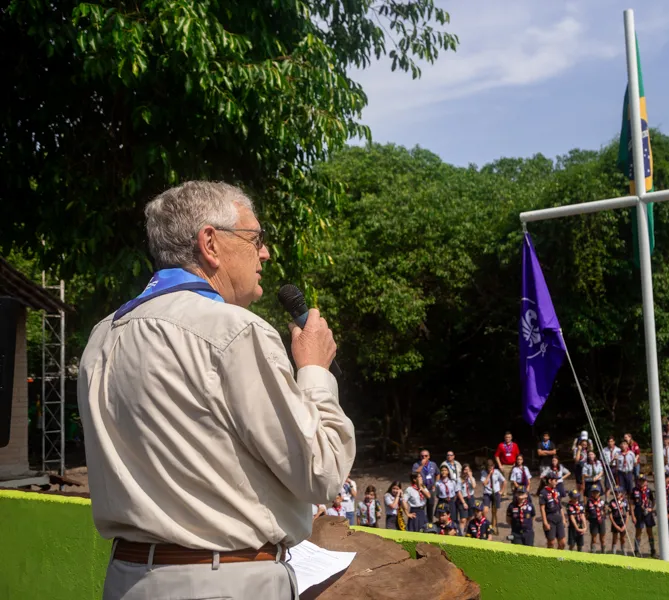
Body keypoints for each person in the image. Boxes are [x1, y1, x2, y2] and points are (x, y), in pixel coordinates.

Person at [77, 182, 355, 599]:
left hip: (127, 579)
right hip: (226, 582)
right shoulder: (235, 330)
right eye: (255, 238)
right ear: (210, 242)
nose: (265, 253)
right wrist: (314, 370)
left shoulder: (101, 336)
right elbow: (323, 471)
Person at [630, 475, 656, 558]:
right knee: (639, 531)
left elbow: (653, 500)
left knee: (650, 531)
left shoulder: (648, 490)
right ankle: (636, 550)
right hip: (638, 512)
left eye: (643, 480)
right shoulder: (634, 490)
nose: (641, 482)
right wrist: (633, 516)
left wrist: (651, 508)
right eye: (640, 480)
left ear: (646, 481)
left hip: (647, 513)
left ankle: (653, 550)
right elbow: (631, 504)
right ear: (637, 481)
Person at [539, 472, 566, 550]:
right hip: (550, 518)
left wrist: (563, 518)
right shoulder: (543, 493)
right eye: (555, 480)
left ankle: (559, 558)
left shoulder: (556, 491)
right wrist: (545, 522)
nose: (556, 482)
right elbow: (542, 509)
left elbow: (560, 506)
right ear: (550, 481)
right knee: (551, 542)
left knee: (562, 543)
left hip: (559, 517)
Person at [412, 449, 438, 522]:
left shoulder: (433, 464)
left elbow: (438, 473)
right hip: (421, 489)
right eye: (422, 456)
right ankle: (421, 523)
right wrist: (422, 465)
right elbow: (414, 474)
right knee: (421, 508)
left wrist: (435, 484)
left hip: (430, 489)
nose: (424, 457)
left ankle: (430, 523)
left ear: (429, 456)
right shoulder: (416, 465)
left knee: (430, 507)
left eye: (426, 456)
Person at [481, 461, 506, 534]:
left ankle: (493, 527)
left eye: (491, 466)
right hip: (487, 493)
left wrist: (501, 491)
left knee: (494, 512)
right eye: (488, 467)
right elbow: (484, 483)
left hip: (496, 493)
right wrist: (489, 474)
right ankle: (485, 525)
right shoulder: (483, 473)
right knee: (484, 510)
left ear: (493, 466)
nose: (490, 468)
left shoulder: (497, 472)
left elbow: (504, 481)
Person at [585, 485, 607, 554]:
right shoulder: (589, 502)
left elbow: (605, 510)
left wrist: (604, 512)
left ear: (599, 493)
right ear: (591, 493)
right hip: (593, 521)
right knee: (594, 538)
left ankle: (603, 552)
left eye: (596, 492)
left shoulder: (602, 501)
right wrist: (589, 519)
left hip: (601, 521)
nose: (595, 494)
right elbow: (586, 512)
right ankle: (593, 552)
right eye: (593, 492)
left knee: (602, 538)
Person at [608, 486, 629, 555]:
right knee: (615, 538)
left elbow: (628, 514)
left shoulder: (625, 502)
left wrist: (625, 525)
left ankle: (623, 550)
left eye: (618, 492)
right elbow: (610, 515)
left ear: (622, 493)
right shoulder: (611, 502)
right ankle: (613, 551)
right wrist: (615, 525)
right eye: (615, 492)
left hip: (623, 521)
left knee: (623, 538)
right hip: (615, 522)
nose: (617, 493)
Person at [457, 463, 477, 532]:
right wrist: (463, 502)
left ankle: (467, 529)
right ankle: (460, 534)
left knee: (470, 516)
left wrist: (470, 477)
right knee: (463, 519)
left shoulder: (471, 479)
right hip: (463, 498)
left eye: (468, 470)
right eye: (465, 470)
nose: (466, 471)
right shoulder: (459, 479)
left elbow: (474, 486)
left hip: (471, 498)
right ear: (462, 471)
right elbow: (458, 492)